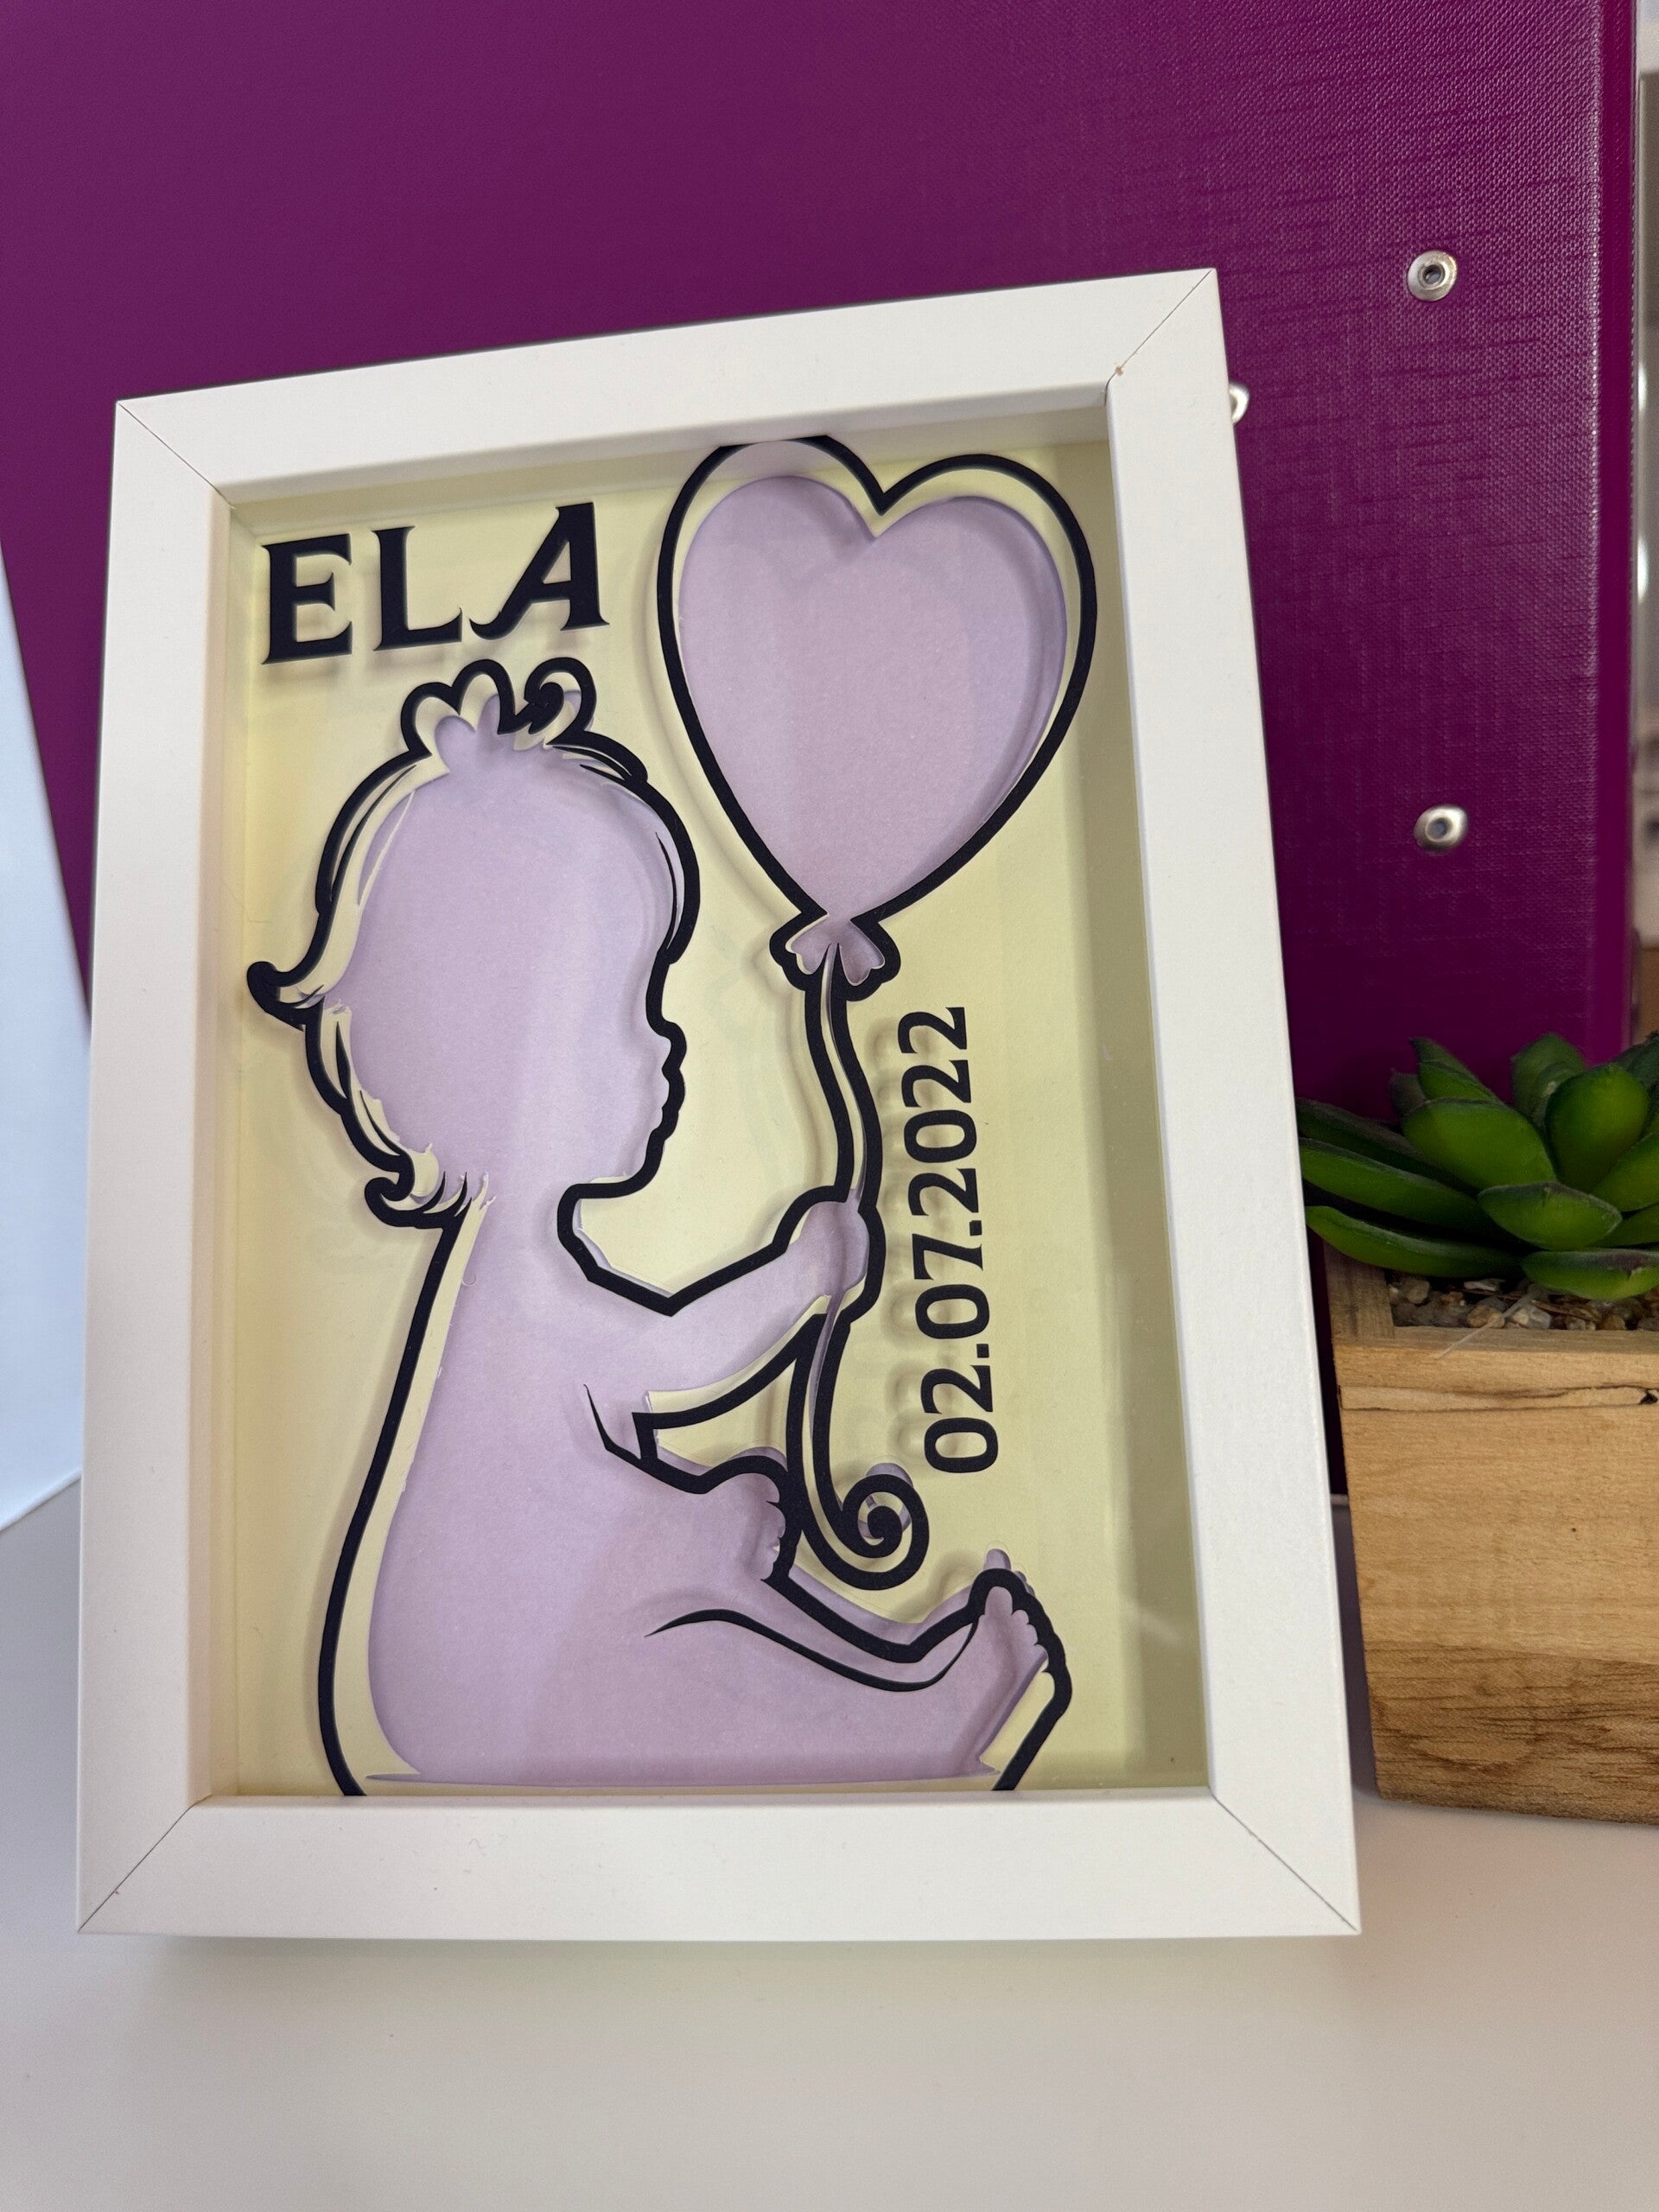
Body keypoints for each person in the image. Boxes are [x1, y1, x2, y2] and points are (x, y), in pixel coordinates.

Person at [251, 691, 1050, 1787]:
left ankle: (909, 1692)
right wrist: (802, 1274)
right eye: (623, 1013)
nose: (662, 1045)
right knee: (696, 1658)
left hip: (510, 1650)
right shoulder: (519, 1290)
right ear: (500, 1065)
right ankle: (913, 1720)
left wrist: (700, 1525)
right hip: (493, 1678)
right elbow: (671, 1360)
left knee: (715, 1612)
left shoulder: (505, 1276)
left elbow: (575, 1486)